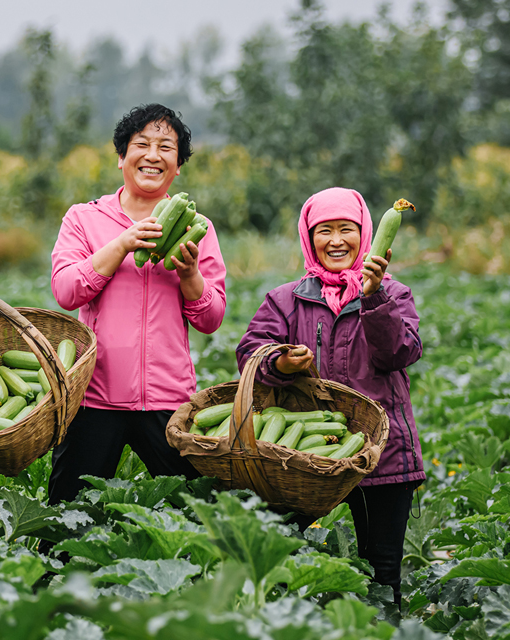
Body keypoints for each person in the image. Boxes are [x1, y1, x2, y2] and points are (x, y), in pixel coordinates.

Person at [236, 186, 425, 606]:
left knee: (383, 571)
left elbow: (401, 353)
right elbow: (250, 351)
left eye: (346, 229)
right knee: (281, 553)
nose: (336, 240)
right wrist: (280, 364)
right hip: (304, 455)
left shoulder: (393, 293)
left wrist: (372, 296)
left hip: (383, 452)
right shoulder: (286, 300)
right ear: (309, 236)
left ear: (365, 234)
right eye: (325, 230)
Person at [48, 103, 227, 504]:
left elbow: (212, 318)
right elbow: (66, 290)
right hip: (94, 395)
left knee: (195, 515)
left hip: (169, 400)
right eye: (141, 144)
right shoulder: (83, 219)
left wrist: (189, 276)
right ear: (121, 157)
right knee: (65, 519)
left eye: (166, 147)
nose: (152, 155)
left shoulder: (198, 229)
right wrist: (122, 244)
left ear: (178, 165)